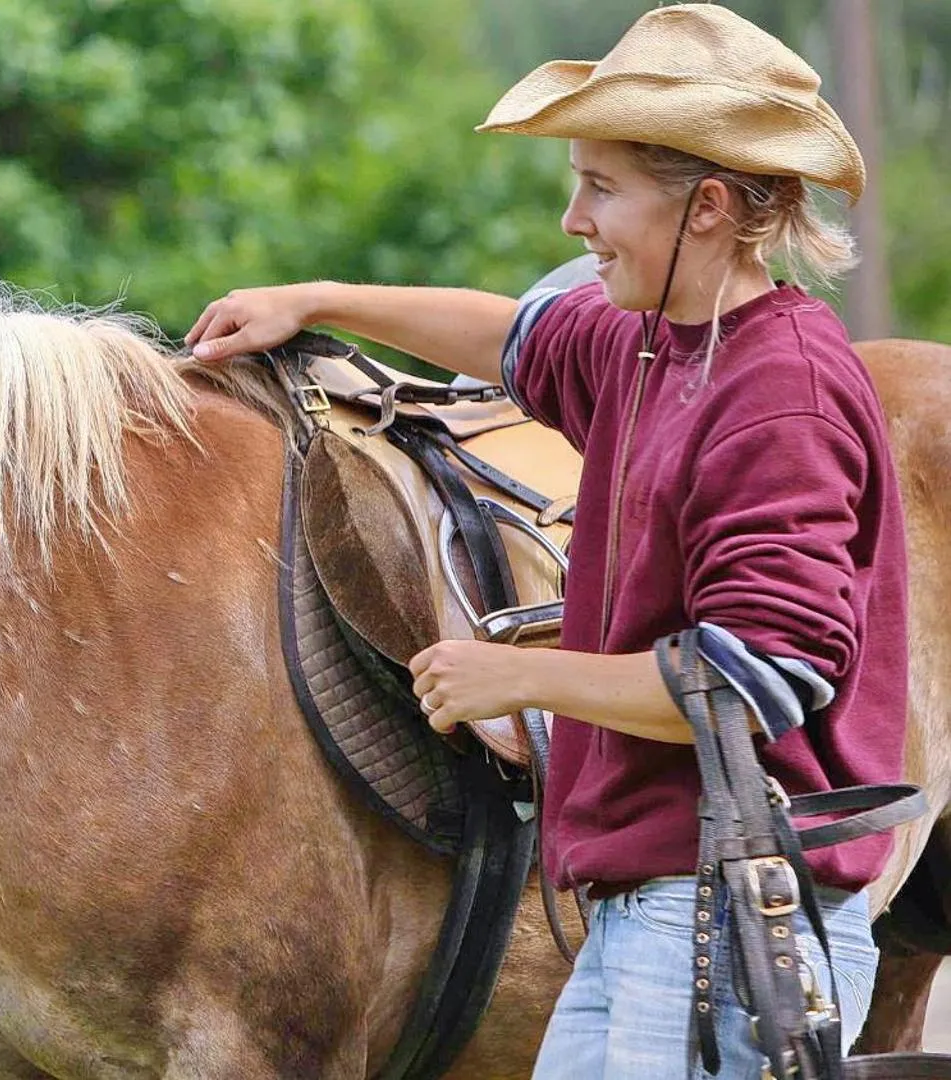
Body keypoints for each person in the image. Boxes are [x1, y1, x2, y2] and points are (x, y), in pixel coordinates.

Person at [185, 6, 905, 1077]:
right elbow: (513, 332)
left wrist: (510, 679)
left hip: (729, 912)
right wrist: (313, 299)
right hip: (653, 904)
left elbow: (762, 677)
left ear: (706, 207)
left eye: (601, 188)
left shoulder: (778, 395)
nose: (573, 221)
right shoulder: (653, 343)